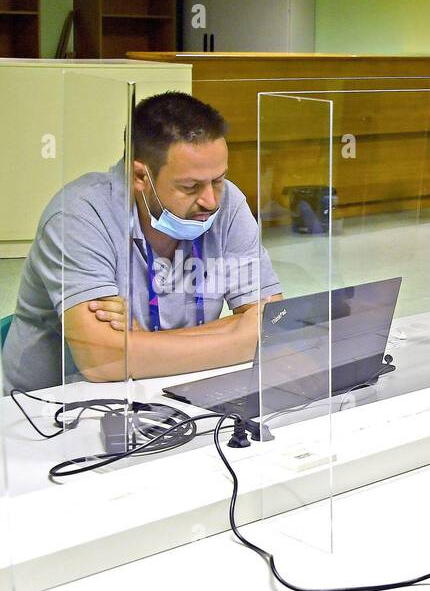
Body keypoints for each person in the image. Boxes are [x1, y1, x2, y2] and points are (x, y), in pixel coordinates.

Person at [2, 92, 281, 394]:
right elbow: (104, 360)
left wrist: (138, 346)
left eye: (218, 180)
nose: (211, 200)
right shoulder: (79, 214)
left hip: (174, 391)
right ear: (140, 176)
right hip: (49, 409)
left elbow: (274, 323)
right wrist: (240, 335)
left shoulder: (228, 202)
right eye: (190, 187)